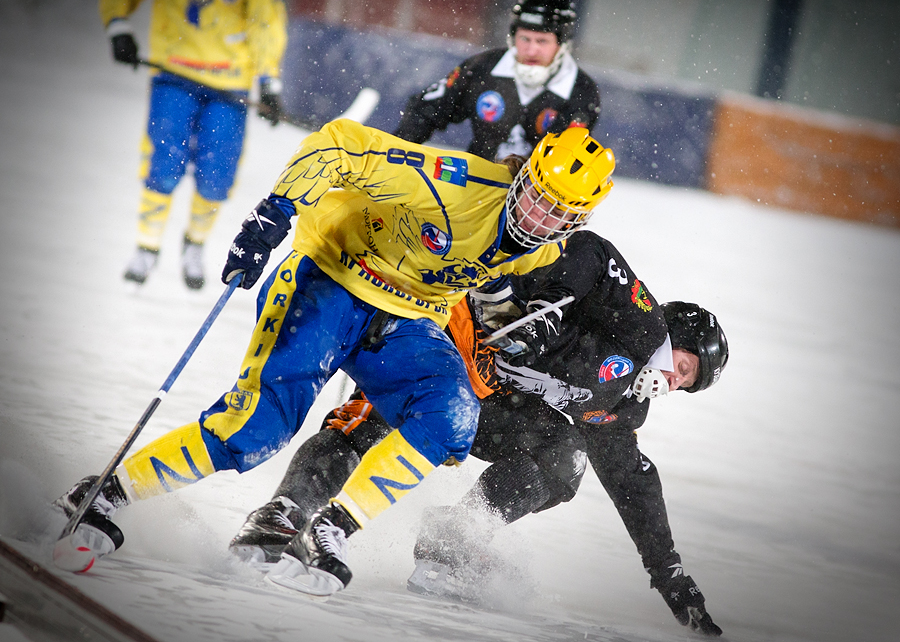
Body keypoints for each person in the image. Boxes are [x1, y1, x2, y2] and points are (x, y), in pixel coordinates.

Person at [54, 122, 617, 598]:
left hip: (404, 316)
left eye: (556, 212)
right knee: (259, 426)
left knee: (452, 414)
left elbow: (479, 293)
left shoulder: (541, 254)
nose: (536, 216)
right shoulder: (456, 183)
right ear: (522, 175)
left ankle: (331, 527)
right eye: (535, 195)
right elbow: (340, 142)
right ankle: (106, 490)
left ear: (575, 221)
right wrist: (275, 209)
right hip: (328, 279)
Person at [228, 228, 728, 635]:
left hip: (489, 401)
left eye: (686, 386)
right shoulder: (641, 323)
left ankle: (455, 536)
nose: (674, 384)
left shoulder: (625, 406)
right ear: (674, 338)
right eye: (684, 369)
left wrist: (668, 573)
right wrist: (550, 310)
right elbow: (594, 251)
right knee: (369, 420)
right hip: (453, 335)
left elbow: (632, 481)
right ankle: (286, 512)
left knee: (566, 458)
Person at [100, 0, 287, 289]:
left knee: (217, 173)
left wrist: (268, 79)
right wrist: (117, 23)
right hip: (175, 71)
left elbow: (265, 18)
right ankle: (147, 245)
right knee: (163, 163)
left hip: (230, 82)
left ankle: (195, 242)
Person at [395, 0, 600, 162]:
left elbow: (565, 161)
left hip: (534, 201)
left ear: (562, 44)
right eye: (525, 38)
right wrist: (398, 153)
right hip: (473, 185)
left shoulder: (582, 92)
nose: (531, 49)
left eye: (542, 41)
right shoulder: (482, 68)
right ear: (513, 37)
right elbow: (424, 109)